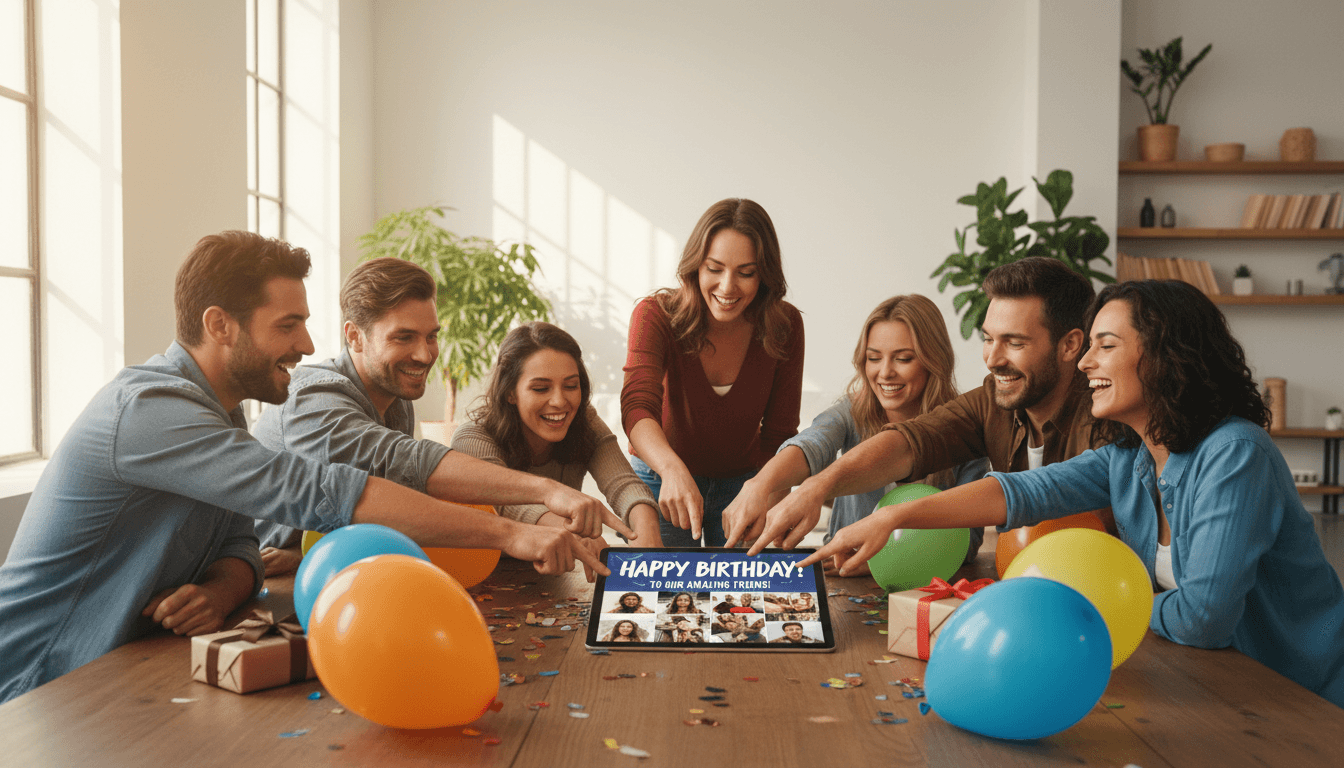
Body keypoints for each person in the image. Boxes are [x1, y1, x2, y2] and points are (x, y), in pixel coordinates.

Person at [0, 232, 605, 704]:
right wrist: (512, 528)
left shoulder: (221, 417)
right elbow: (313, 488)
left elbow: (240, 543)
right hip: (41, 684)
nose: (308, 345)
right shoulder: (149, 411)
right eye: (288, 325)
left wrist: (218, 588)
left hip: (133, 668)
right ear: (219, 325)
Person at [803, 280, 1344, 708]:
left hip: (1299, 698)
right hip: (1214, 689)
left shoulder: (1234, 452)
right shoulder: (1127, 458)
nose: (1084, 363)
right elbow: (1018, 493)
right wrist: (885, 522)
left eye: (1104, 347)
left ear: (1163, 356)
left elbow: (1204, 620)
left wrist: (1097, 605)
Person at [253, 259, 633, 576]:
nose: (424, 355)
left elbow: (376, 508)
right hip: (255, 582)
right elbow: (399, 461)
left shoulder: (397, 401)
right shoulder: (311, 395)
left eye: (431, 336)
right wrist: (545, 494)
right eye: (403, 337)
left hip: (322, 570)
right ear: (355, 337)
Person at [750, 257, 1106, 556]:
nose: (993, 359)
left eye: (1014, 343)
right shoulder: (991, 402)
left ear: (1070, 344)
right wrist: (816, 487)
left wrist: (893, 517)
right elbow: (910, 440)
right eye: (988, 339)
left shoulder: (1107, 417)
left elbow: (1030, 492)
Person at [723, 295, 990, 569]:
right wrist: (759, 485)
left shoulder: (965, 427)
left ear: (934, 360)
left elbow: (968, 540)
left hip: (926, 589)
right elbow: (814, 442)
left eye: (903, 359)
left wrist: (881, 560)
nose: (885, 372)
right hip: (842, 577)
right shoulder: (852, 410)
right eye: (874, 358)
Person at [622, 198, 804, 547]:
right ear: (695, 266)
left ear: (765, 274)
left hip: (747, 485)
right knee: (665, 595)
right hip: (661, 476)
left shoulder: (786, 325)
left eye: (746, 273)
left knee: (741, 598)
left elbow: (780, 432)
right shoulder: (654, 315)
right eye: (714, 268)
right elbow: (637, 407)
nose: (727, 287)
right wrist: (673, 470)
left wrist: (772, 508)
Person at [452, 322, 661, 546]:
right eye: (541, 389)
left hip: (558, 573)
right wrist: (574, 535)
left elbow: (623, 484)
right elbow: (501, 502)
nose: (560, 401)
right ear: (510, 392)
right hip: (488, 574)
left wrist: (645, 528)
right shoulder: (472, 437)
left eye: (571, 386)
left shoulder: (585, 422)